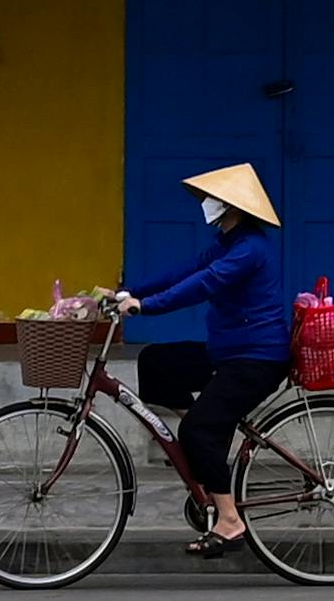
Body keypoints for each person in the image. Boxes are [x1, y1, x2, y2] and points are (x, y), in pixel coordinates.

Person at [117, 162, 290, 555]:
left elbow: (203, 284)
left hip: (256, 359)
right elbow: (187, 270)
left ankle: (230, 521)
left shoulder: (250, 249)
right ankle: (206, 442)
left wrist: (146, 307)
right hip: (227, 351)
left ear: (233, 206)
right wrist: (129, 290)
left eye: (216, 198)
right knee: (157, 364)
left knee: (196, 430)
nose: (208, 204)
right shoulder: (228, 243)